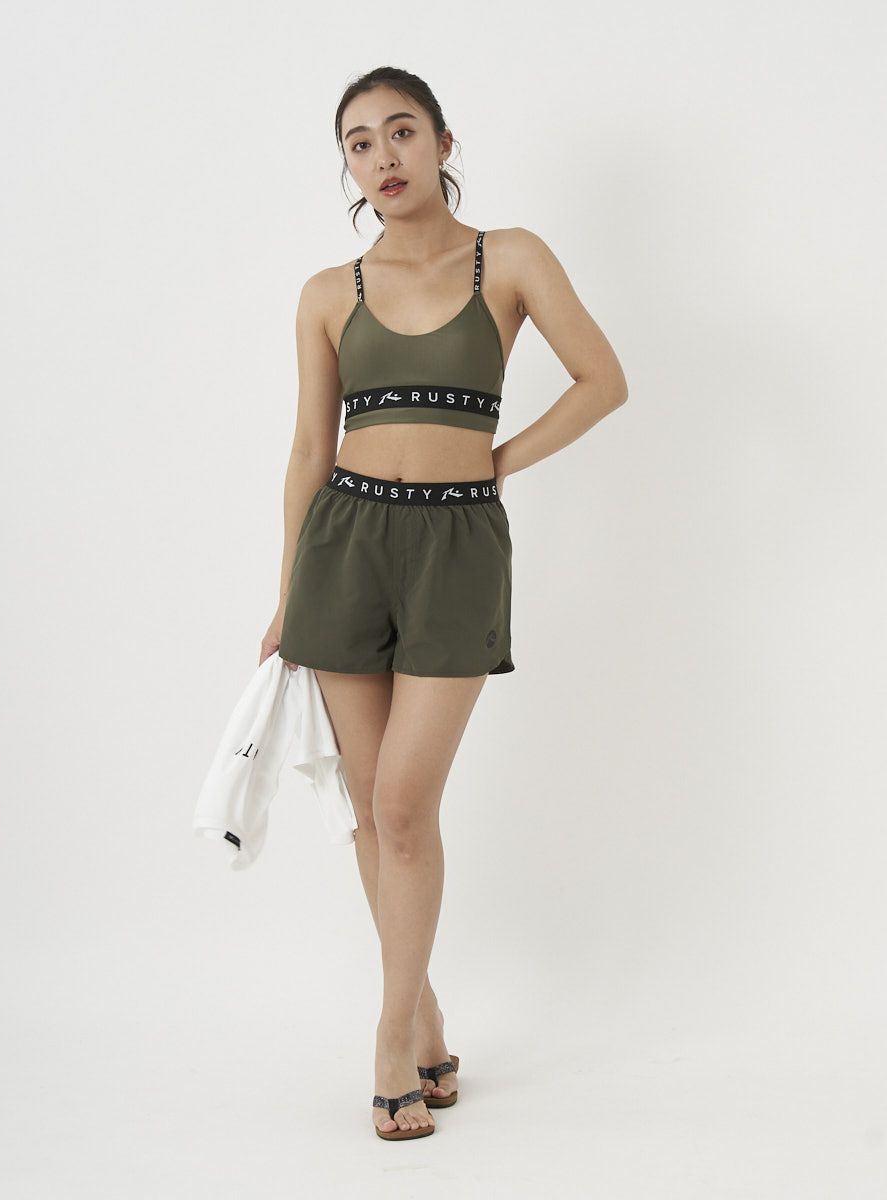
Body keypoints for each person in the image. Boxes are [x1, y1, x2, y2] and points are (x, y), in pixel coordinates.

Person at [260, 66, 629, 1140]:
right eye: (360, 142)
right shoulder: (328, 292)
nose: (383, 157)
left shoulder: (507, 258)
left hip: (456, 547)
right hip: (343, 545)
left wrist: (498, 460)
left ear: (441, 141)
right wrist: (286, 592)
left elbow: (603, 380)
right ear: (348, 165)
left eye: (402, 131)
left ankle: (388, 1035)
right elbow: (307, 450)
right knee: (372, 808)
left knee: (406, 804)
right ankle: (418, 1014)